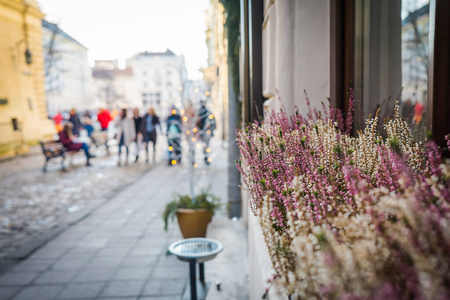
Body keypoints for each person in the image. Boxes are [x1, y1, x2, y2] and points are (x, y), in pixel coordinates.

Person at [197, 100, 216, 165]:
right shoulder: (203, 112)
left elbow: (212, 122)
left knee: (205, 146)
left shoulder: (206, 113)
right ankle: (205, 158)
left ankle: (205, 158)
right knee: (205, 146)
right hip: (202, 132)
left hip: (205, 132)